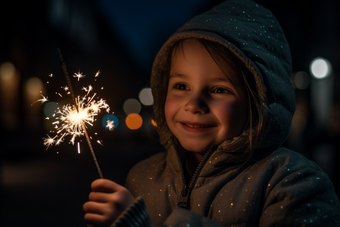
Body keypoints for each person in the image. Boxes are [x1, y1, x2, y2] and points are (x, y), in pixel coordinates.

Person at [83, 0, 340, 226]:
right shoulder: (142, 177)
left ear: (260, 101)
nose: (194, 104)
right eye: (181, 86)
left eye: (219, 89)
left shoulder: (294, 184)